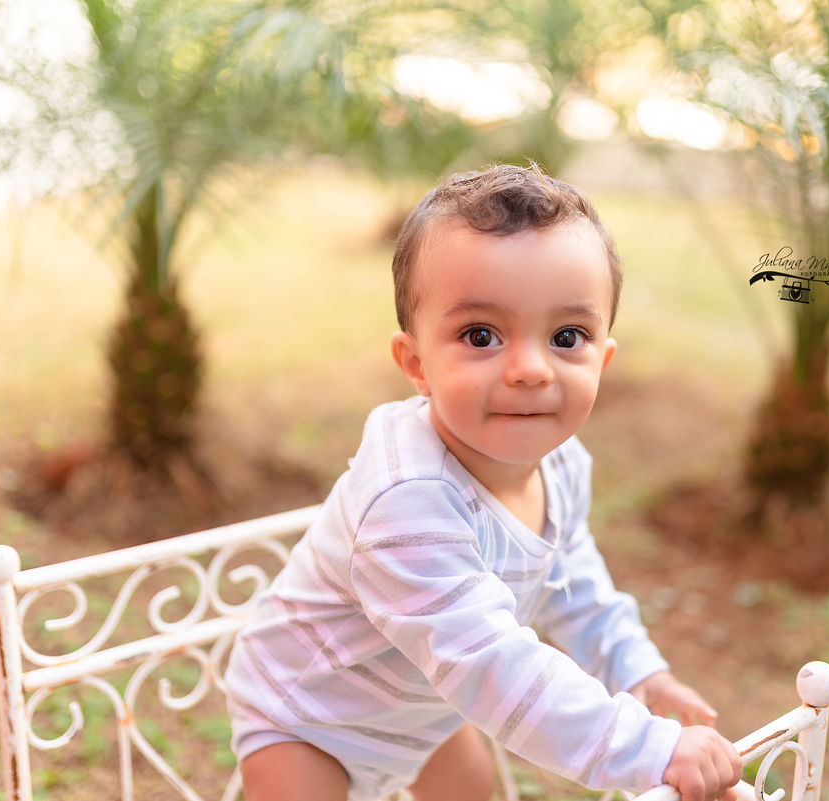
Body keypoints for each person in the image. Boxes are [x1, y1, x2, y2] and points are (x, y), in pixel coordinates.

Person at [224, 163, 743, 801]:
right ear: (416, 363)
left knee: (475, 792)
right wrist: (645, 749)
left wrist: (636, 669)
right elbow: (492, 665)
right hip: (308, 716)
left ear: (603, 359)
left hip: (420, 702)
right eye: (481, 335)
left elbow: (573, 578)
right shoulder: (406, 499)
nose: (530, 369)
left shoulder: (562, 464)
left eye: (567, 336)